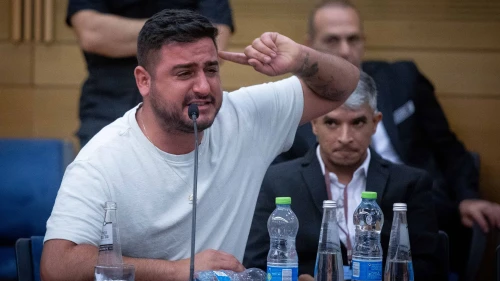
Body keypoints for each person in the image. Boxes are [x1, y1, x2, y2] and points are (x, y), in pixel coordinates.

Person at [40, 9, 360, 281]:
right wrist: (180, 270)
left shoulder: (246, 115)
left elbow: (345, 85)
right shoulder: (103, 158)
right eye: (184, 73)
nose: (203, 87)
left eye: (211, 69)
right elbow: (57, 265)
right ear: (144, 80)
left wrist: (301, 59)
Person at [272, 0, 500, 277]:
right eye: (332, 39)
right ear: (310, 44)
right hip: (326, 218)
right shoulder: (294, 101)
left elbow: (448, 146)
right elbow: (283, 177)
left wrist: (467, 196)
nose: (345, 50)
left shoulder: (403, 78)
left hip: (417, 205)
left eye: (353, 38)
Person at [243, 72, 442, 281]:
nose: (345, 138)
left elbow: (430, 269)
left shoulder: (409, 184)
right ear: (313, 124)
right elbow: (255, 266)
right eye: (332, 123)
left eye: (357, 123)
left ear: (375, 122)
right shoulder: (277, 182)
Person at [67, 0, 234, 147]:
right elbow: (92, 34)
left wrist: (123, 33)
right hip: (107, 106)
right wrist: (181, 30)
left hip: (186, 109)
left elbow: (215, 39)